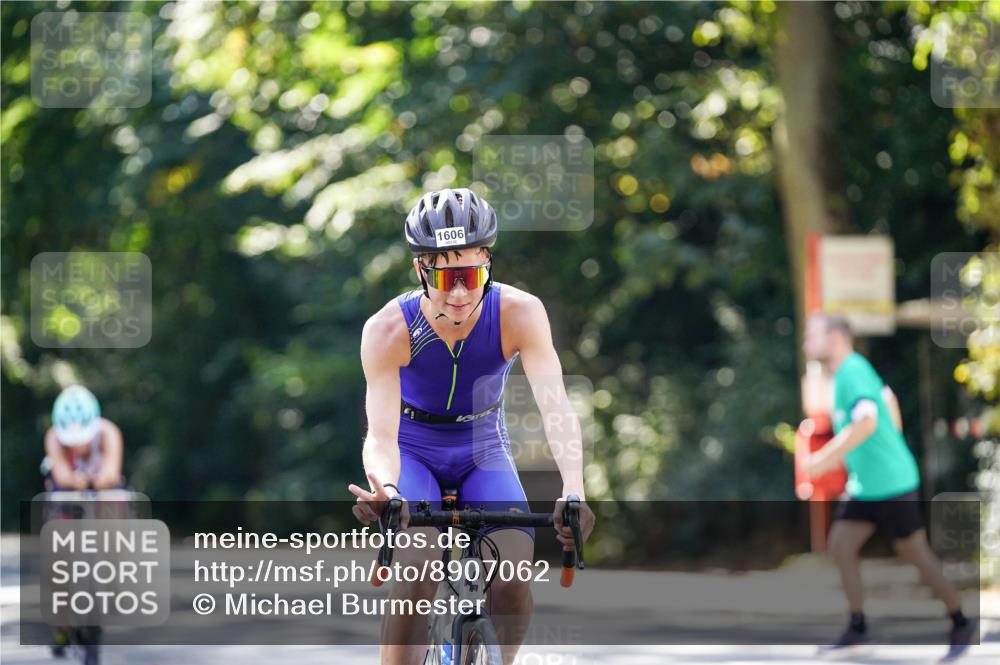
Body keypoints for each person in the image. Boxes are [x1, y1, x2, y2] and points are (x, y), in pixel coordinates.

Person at [349, 188, 595, 665]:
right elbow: (380, 435)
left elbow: (556, 407)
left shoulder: (519, 313)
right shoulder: (387, 330)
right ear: (420, 269)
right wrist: (389, 488)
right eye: (445, 277)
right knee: (416, 574)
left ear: (488, 261)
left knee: (513, 575)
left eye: (471, 275)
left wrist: (574, 488)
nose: (460, 292)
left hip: (483, 448)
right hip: (413, 451)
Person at [803, 313, 976, 659]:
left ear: (835, 338)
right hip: (866, 485)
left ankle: (961, 621)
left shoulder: (852, 371)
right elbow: (889, 400)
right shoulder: (849, 372)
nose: (807, 344)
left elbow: (867, 422)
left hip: (892, 483)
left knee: (914, 553)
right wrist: (886, 442)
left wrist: (826, 457)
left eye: (813, 336)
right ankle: (858, 626)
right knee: (841, 545)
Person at [43, 385, 123, 491]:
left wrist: (95, 481)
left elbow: (111, 474)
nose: (76, 446)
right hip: (68, 493)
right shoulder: (53, 437)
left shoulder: (108, 432)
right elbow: (61, 477)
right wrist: (74, 481)